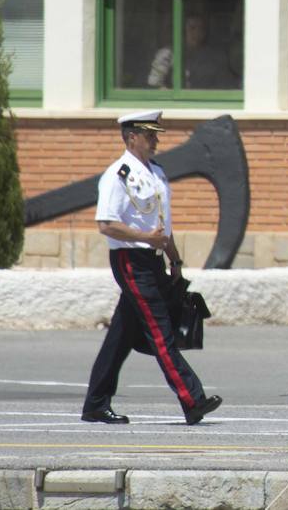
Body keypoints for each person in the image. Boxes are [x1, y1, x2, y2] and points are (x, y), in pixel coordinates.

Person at [81, 110, 222, 426]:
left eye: (156, 134)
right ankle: (192, 399)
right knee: (160, 332)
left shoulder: (156, 173)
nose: (156, 140)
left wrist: (174, 258)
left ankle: (95, 404)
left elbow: (162, 225)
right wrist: (147, 238)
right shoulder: (118, 174)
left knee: (120, 337)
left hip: (153, 260)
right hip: (130, 261)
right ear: (132, 138)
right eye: (149, 135)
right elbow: (106, 224)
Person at [147, 13, 239, 90]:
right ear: (183, 31)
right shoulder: (167, 54)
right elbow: (154, 83)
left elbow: (225, 85)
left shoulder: (214, 57)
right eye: (192, 28)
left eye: (201, 28)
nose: (197, 33)